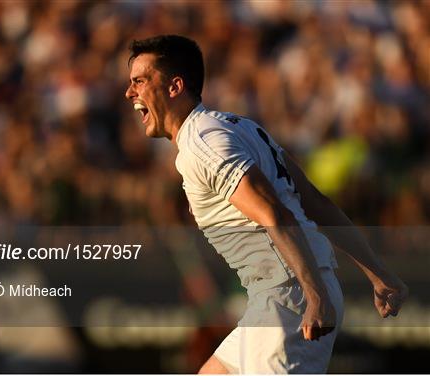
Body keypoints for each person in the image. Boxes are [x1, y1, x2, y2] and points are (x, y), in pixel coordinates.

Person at [124, 35, 408, 374]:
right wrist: (380, 275)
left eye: (139, 81)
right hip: (280, 295)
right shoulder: (239, 127)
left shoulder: (203, 145)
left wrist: (314, 295)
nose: (130, 93)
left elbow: (275, 213)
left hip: (291, 299)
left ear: (174, 87)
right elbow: (315, 203)